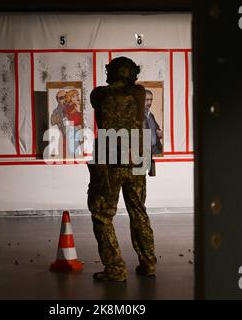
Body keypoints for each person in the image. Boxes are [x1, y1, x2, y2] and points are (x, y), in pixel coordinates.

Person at [87, 56, 157, 282]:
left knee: (102, 214)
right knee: (138, 211)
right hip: (136, 158)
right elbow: (134, 88)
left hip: (109, 162)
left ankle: (115, 269)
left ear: (113, 73)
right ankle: (148, 264)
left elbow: (100, 98)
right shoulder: (138, 93)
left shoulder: (99, 95)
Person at [144, 89, 163, 155]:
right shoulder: (136, 115)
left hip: (156, 149)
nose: (149, 103)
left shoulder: (151, 115)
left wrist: (159, 132)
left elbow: (157, 129)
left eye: (151, 100)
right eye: (147, 99)